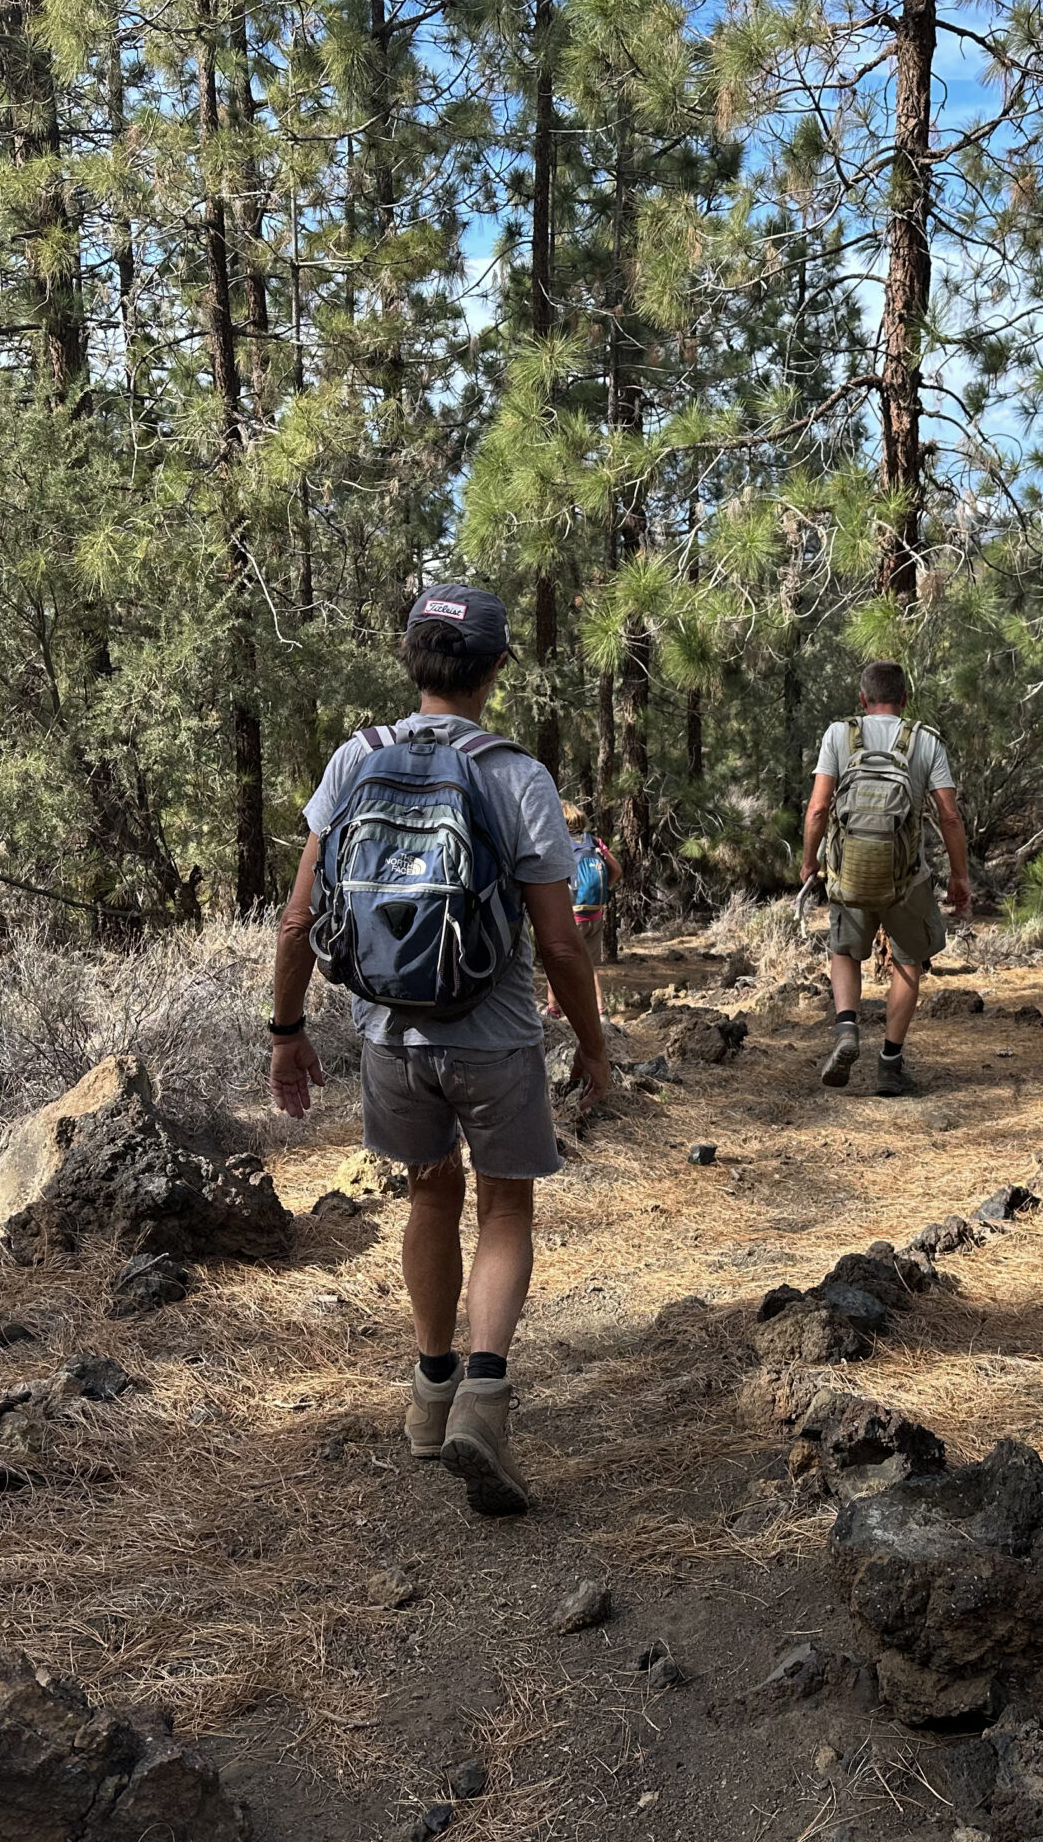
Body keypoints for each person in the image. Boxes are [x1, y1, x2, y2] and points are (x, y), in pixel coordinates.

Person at [268, 583, 612, 1519]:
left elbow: (301, 917)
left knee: (428, 1192)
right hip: (495, 1034)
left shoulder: (354, 760)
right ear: (496, 669)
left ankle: (428, 1395)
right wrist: (591, 1045)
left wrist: (289, 1031)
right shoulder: (515, 775)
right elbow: (561, 942)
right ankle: (484, 1404)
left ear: (411, 660)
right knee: (505, 1206)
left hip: (387, 1033)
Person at [799, 660, 972, 1097]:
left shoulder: (839, 734)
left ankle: (846, 1030)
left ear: (862, 699)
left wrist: (810, 862)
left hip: (849, 875)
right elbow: (949, 816)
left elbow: (818, 809)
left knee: (844, 951)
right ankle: (890, 1065)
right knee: (908, 961)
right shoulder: (925, 741)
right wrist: (959, 876)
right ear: (904, 699)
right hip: (907, 879)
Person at [546, 800, 618, 1020]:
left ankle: (553, 1009)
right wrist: (605, 889)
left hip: (572, 914)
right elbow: (616, 869)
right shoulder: (594, 842)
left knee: (556, 962)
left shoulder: (560, 844)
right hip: (595, 913)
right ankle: (600, 1011)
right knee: (589, 965)